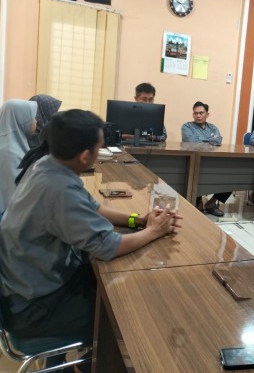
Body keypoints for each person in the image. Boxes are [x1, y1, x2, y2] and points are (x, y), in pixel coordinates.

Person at [0, 109, 181, 368]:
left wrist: (139, 221)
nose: (101, 151)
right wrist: (154, 232)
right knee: (124, 316)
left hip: (27, 288)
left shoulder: (47, 164)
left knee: (110, 286)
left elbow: (92, 207)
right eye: (99, 148)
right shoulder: (58, 189)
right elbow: (108, 247)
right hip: (36, 310)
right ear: (85, 156)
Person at [182, 101, 230, 216]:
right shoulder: (187, 126)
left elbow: (218, 140)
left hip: (211, 160)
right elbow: (192, 142)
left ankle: (211, 203)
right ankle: (197, 201)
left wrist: (203, 140)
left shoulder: (213, 127)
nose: (198, 116)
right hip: (194, 162)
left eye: (201, 113)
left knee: (230, 175)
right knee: (195, 173)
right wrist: (210, 140)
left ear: (207, 114)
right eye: (195, 113)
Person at [0, 99, 38, 216]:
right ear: (21, 120)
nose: (35, 121)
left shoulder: (10, 143)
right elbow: (13, 195)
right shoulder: (10, 152)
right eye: (32, 117)